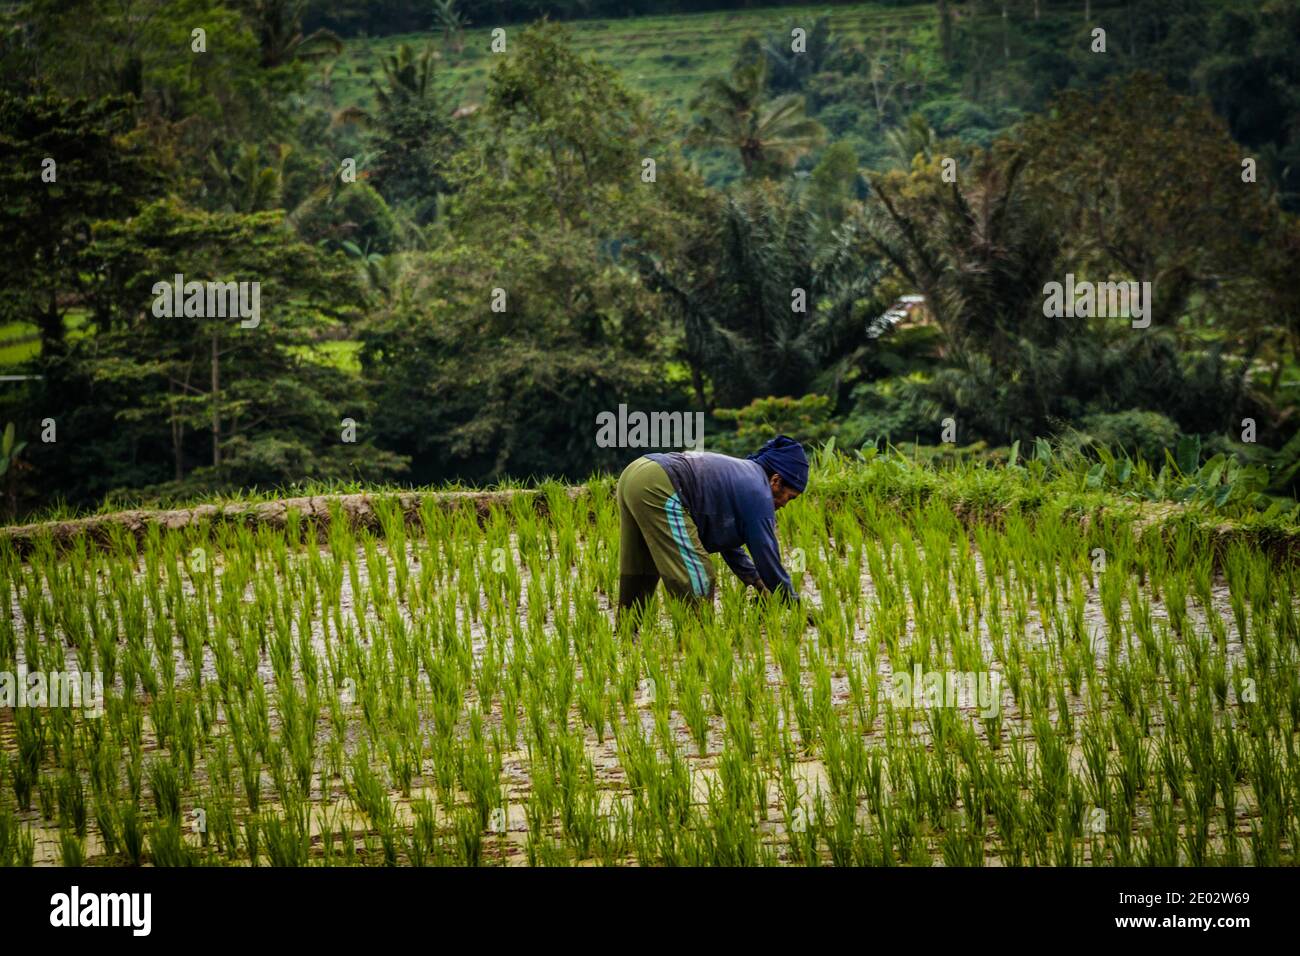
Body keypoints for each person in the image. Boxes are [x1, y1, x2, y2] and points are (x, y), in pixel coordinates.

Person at [615, 435, 807, 624]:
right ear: (776, 481)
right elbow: (767, 557)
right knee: (698, 575)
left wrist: (756, 582)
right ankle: (699, 641)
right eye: (790, 497)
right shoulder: (759, 494)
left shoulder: (744, 478)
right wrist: (795, 606)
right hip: (660, 484)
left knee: (640, 564)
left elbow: (729, 546)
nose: (785, 504)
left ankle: (626, 633)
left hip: (635, 473)